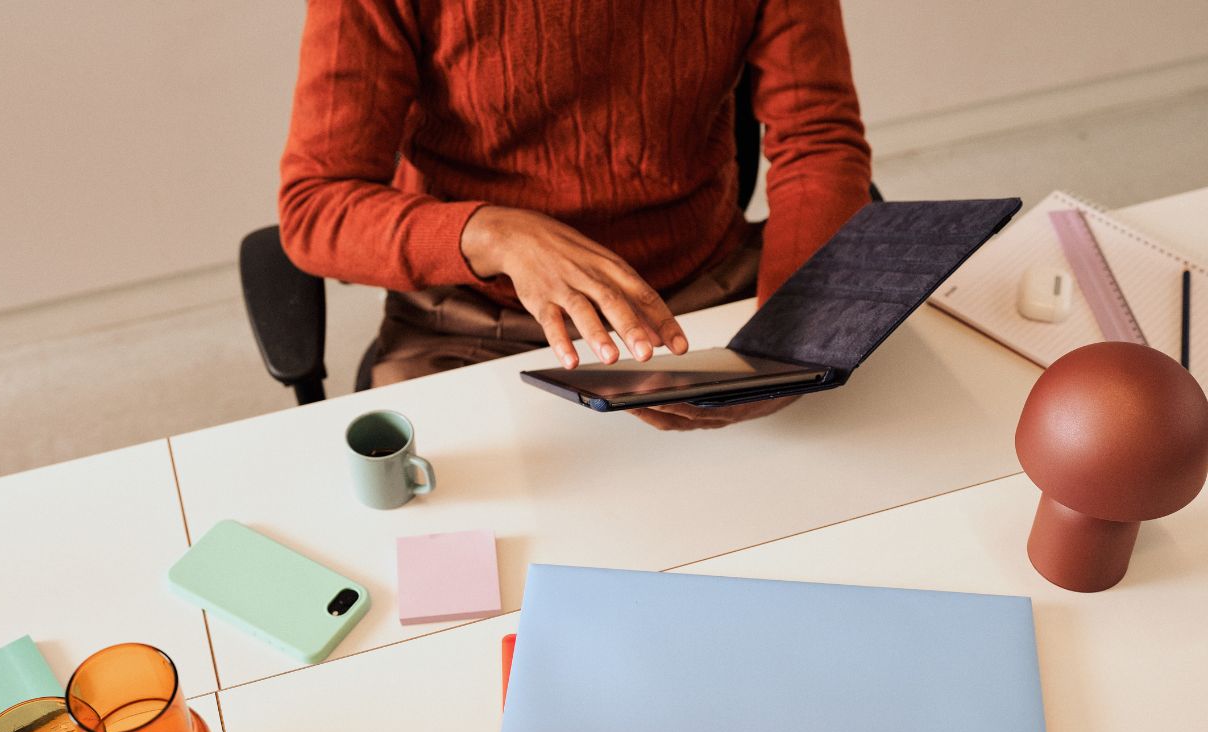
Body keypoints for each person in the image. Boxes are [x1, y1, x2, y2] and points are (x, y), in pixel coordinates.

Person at [278, 0, 871, 430]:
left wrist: (793, 346)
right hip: (472, 319)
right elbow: (315, 206)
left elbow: (818, 141)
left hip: (702, 293)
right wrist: (496, 235)